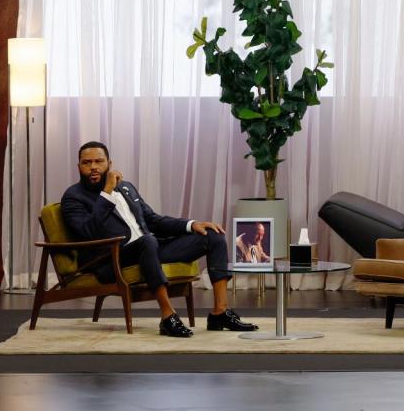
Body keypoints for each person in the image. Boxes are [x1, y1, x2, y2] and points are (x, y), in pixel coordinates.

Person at [61, 141, 257, 338]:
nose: (93, 167)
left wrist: (191, 224)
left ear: (109, 164)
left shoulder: (126, 187)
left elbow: (153, 221)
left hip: (148, 249)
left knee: (212, 236)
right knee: (148, 241)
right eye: (87, 162)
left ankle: (220, 313)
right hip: (111, 258)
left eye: (99, 161)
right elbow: (89, 232)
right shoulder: (73, 197)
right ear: (79, 167)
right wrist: (107, 192)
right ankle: (167, 316)